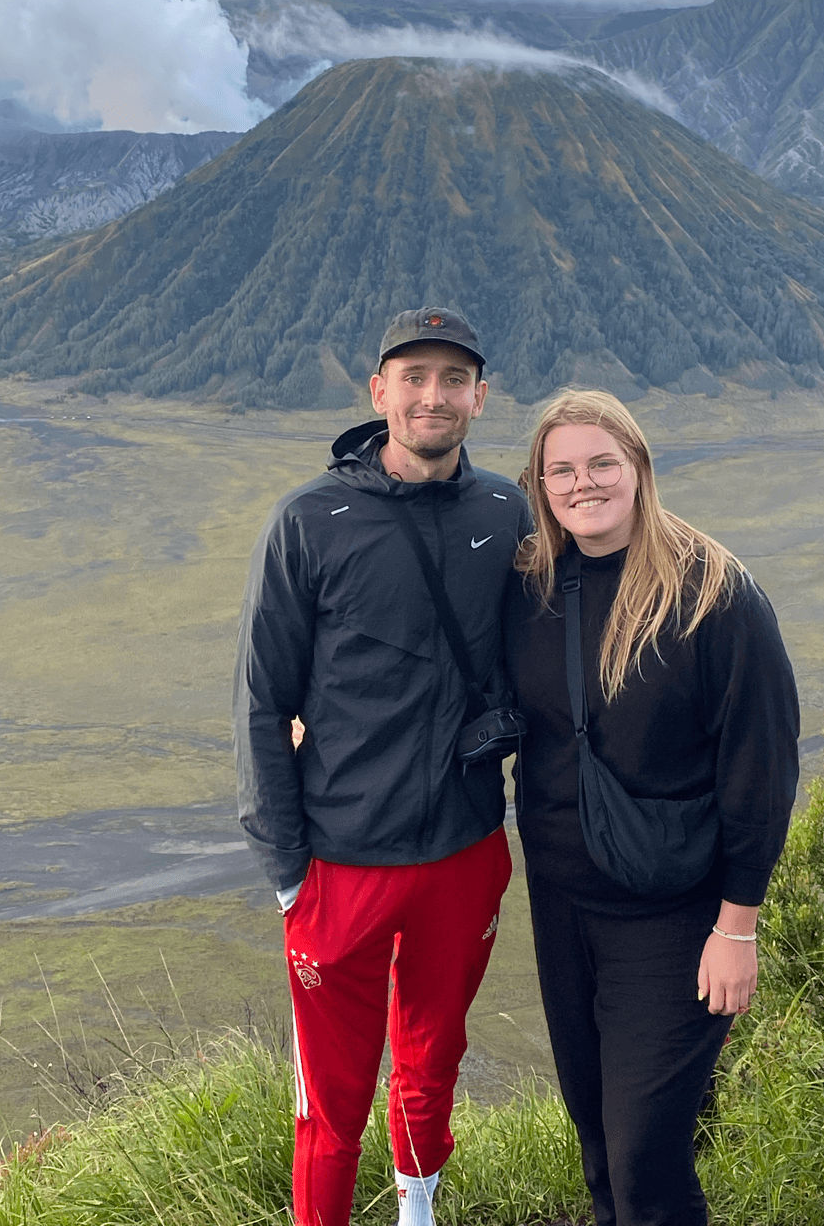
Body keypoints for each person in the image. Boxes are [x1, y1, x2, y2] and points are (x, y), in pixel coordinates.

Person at [234, 307, 531, 1226]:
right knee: (331, 1098)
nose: (432, 396)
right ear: (379, 391)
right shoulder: (309, 521)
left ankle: (417, 1213)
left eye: (452, 379)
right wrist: (288, 872)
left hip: (465, 851)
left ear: (480, 397)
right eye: (413, 376)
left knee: (433, 1057)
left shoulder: (504, 510)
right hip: (339, 864)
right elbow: (259, 702)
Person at [504, 388, 799, 1226]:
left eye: (602, 462)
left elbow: (762, 769)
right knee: (599, 1143)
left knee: (645, 1162)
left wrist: (736, 927)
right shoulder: (530, 586)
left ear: (639, 468)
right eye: (560, 469)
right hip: (562, 905)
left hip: (674, 919)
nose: (582, 483)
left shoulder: (715, 596)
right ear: (538, 483)